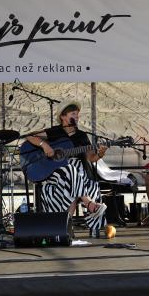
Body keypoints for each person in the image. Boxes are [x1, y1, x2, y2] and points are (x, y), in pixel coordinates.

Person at [25, 102, 107, 238]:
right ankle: (88, 203)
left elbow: (91, 158)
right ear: (63, 116)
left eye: (77, 114)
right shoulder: (55, 132)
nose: (77, 116)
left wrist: (100, 154)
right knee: (70, 167)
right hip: (56, 173)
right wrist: (44, 145)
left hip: (76, 175)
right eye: (73, 114)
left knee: (73, 170)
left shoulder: (82, 136)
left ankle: (66, 227)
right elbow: (29, 136)